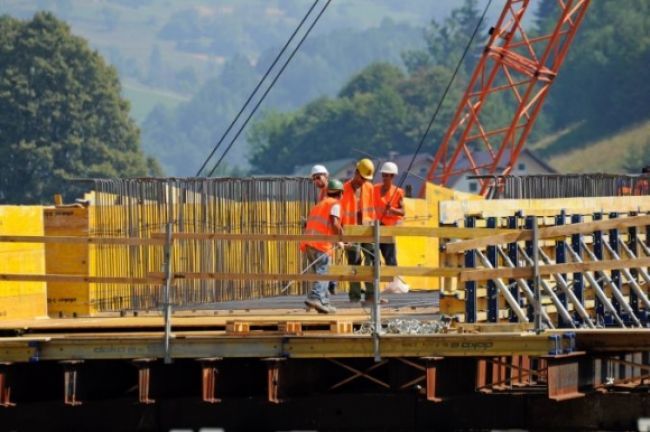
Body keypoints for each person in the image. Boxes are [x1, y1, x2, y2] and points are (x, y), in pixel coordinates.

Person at [301, 179, 344, 314]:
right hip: (321, 244)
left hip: (308, 244)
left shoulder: (319, 205)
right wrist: (341, 238)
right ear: (341, 193)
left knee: (321, 273)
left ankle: (324, 302)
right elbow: (335, 222)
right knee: (323, 273)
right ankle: (315, 297)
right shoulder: (335, 204)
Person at [340, 158, 377, 304]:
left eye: (366, 179)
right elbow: (341, 214)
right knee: (354, 263)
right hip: (351, 232)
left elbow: (372, 209)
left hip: (367, 230)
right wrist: (343, 235)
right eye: (361, 178)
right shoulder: (344, 190)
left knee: (371, 260)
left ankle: (371, 294)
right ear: (356, 173)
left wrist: (373, 228)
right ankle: (354, 297)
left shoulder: (369, 188)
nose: (363, 181)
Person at [374, 161, 405, 266]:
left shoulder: (398, 192)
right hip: (376, 227)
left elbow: (402, 212)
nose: (384, 177)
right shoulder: (374, 189)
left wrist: (391, 209)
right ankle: (376, 281)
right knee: (373, 258)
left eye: (387, 175)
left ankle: (394, 281)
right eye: (383, 175)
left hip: (389, 229)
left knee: (390, 259)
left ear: (392, 176)